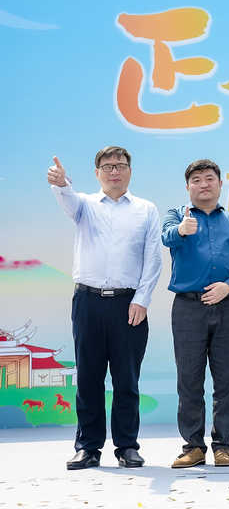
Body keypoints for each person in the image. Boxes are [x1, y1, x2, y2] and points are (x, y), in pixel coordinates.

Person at [47, 147, 162, 470]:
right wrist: (61, 183)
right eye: (108, 166)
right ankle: (87, 447)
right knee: (89, 377)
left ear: (130, 171)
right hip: (88, 302)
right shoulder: (84, 205)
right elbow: (67, 199)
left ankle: (127, 446)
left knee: (127, 379)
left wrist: (142, 299)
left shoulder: (145, 209)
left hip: (129, 304)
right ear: (97, 173)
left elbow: (153, 257)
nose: (114, 171)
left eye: (120, 165)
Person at [161, 159, 229, 468]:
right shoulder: (178, 215)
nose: (204, 184)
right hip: (188, 307)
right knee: (189, 378)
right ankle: (193, 446)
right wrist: (181, 230)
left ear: (219, 184)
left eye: (209, 178)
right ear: (187, 186)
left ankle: (223, 446)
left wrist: (228, 287)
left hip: (227, 305)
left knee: (227, 378)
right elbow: (166, 236)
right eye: (197, 180)